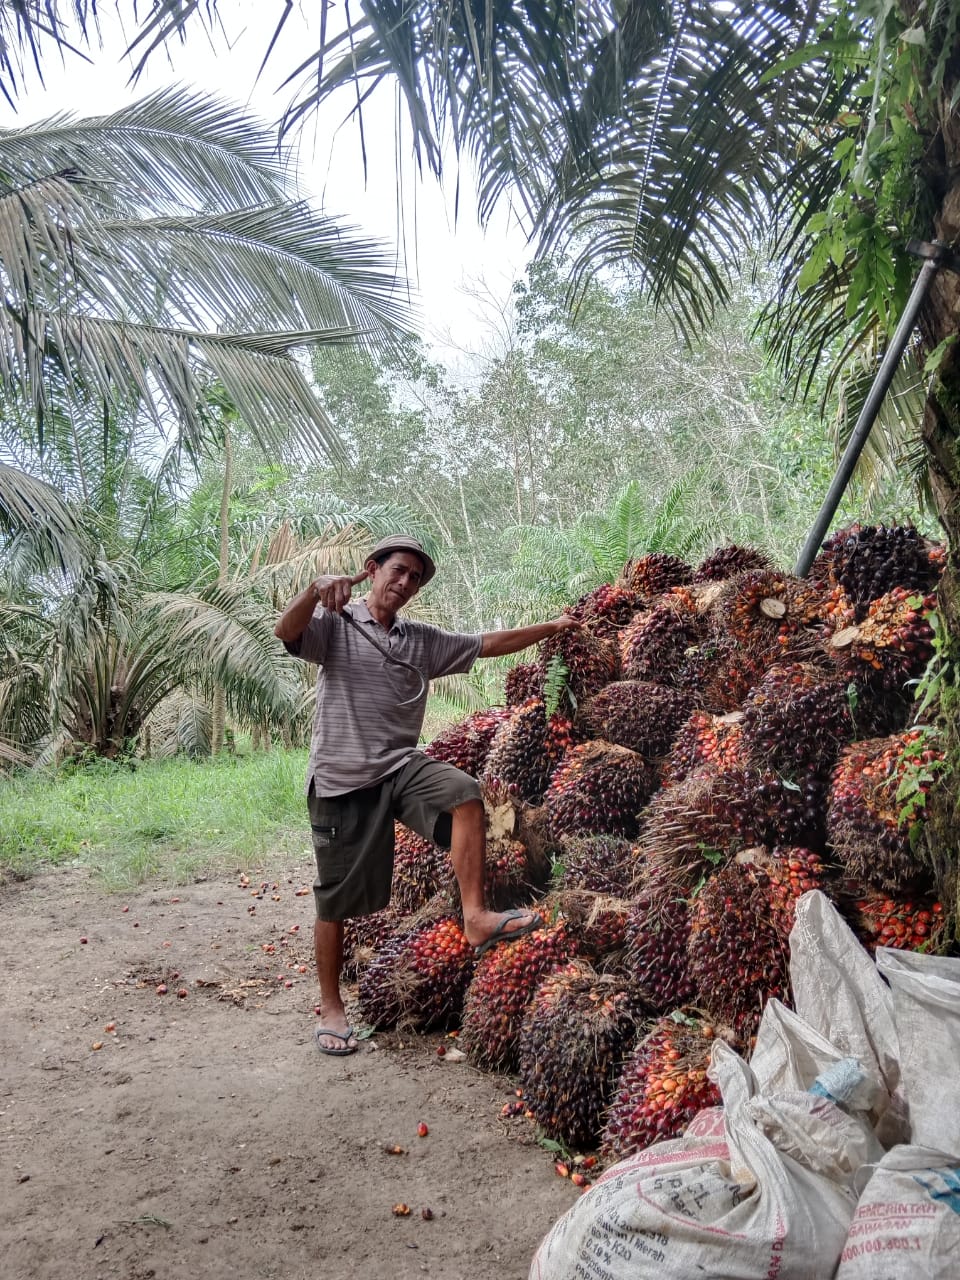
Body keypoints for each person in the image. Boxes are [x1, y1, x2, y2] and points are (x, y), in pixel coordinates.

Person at [274, 533, 581, 1056]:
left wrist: (552, 627)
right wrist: (312, 591)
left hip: (400, 766)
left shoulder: (421, 641)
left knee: (465, 793)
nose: (405, 582)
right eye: (397, 570)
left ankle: (476, 916)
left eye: (414, 578)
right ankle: (330, 1006)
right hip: (343, 778)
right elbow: (287, 631)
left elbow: (489, 643)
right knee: (336, 902)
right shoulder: (336, 625)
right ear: (371, 570)